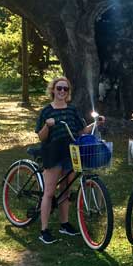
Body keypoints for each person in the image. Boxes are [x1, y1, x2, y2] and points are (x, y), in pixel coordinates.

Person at [35, 76, 105, 244]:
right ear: (53, 90)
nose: (62, 91)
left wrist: (95, 124)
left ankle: (64, 224)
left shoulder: (73, 110)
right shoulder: (47, 111)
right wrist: (47, 125)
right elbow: (41, 136)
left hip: (71, 152)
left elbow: (81, 132)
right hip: (53, 152)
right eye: (59, 88)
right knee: (49, 192)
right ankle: (44, 230)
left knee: (65, 189)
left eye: (65, 89)